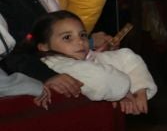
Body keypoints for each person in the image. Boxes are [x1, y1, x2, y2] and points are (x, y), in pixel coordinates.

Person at [29, 10, 157, 113]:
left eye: (83, 35)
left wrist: (140, 90)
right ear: (44, 46)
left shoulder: (85, 55)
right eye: (67, 37)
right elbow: (103, 80)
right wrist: (122, 92)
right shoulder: (55, 64)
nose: (80, 41)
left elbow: (126, 58)